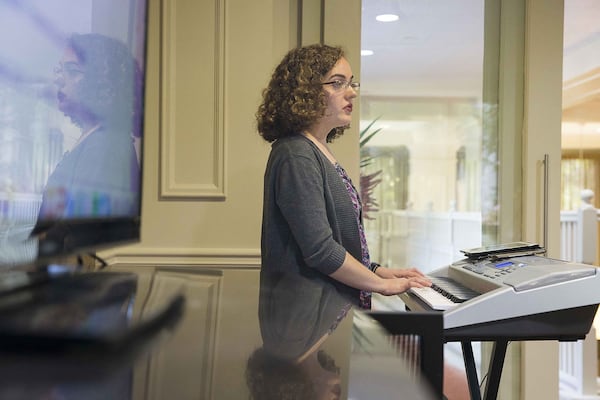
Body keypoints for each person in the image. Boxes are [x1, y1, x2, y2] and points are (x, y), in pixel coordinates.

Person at [256, 44, 431, 310]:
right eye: (337, 83)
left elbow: (337, 241)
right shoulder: (296, 154)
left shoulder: (316, 149)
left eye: (351, 83)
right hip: (303, 326)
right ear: (305, 92)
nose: (351, 93)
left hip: (322, 315)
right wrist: (381, 285)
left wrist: (378, 270)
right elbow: (320, 250)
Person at [37, 33, 142, 222]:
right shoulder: (97, 139)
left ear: (102, 82)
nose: (59, 79)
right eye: (60, 70)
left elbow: (81, 233)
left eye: (72, 71)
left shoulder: (106, 146)